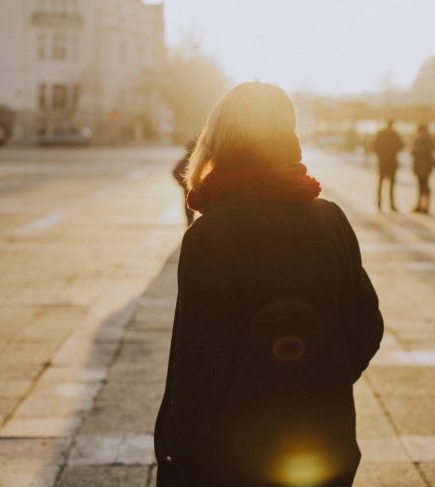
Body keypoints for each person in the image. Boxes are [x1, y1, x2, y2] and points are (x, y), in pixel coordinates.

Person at [154, 82, 384, 487]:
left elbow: (200, 364)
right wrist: (318, 381)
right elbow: (367, 327)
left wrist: (178, 447)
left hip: (233, 459)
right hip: (324, 446)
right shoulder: (329, 220)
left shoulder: (212, 235)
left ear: (219, 138)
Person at [373, 120, 404, 211]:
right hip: (386, 163)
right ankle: (381, 203)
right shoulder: (385, 135)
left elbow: (401, 146)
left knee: (389, 185)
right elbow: (374, 147)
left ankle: (388, 204)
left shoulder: (392, 135)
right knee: (383, 184)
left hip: (389, 163)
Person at [411, 124, 435, 214]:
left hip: (426, 168)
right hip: (418, 168)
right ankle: (419, 204)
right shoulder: (416, 141)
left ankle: (425, 206)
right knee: (419, 187)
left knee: (425, 187)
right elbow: (412, 153)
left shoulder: (428, 142)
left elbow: (429, 154)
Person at [172, 138, 197, 226]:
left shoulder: (188, 160)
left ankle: (190, 224)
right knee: (189, 208)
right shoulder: (188, 161)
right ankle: (190, 224)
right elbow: (175, 172)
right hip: (190, 188)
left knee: (189, 208)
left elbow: (175, 172)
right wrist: (184, 184)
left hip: (191, 188)